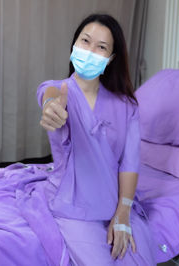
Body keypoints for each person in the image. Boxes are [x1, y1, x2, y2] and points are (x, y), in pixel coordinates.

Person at [37, 14, 155, 265]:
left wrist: (123, 211)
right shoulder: (59, 89)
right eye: (85, 41)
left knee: (138, 255)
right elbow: (49, 96)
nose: (90, 51)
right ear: (74, 45)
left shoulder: (126, 106)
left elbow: (130, 163)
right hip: (72, 204)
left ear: (110, 59)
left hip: (117, 200)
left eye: (101, 47)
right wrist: (50, 108)